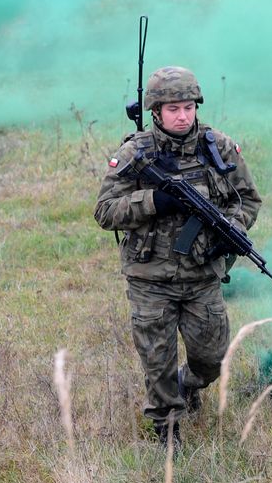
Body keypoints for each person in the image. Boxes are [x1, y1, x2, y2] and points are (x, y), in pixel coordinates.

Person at [94, 66, 262, 448]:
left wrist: (233, 227)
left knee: (212, 359)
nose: (182, 115)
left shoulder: (218, 147)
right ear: (155, 111)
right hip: (149, 278)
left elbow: (248, 199)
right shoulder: (136, 153)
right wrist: (154, 200)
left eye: (187, 107)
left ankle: (190, 385)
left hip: (202, 275)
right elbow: (105, 211)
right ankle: (167, 432)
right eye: (173, 109)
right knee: (158, 362)